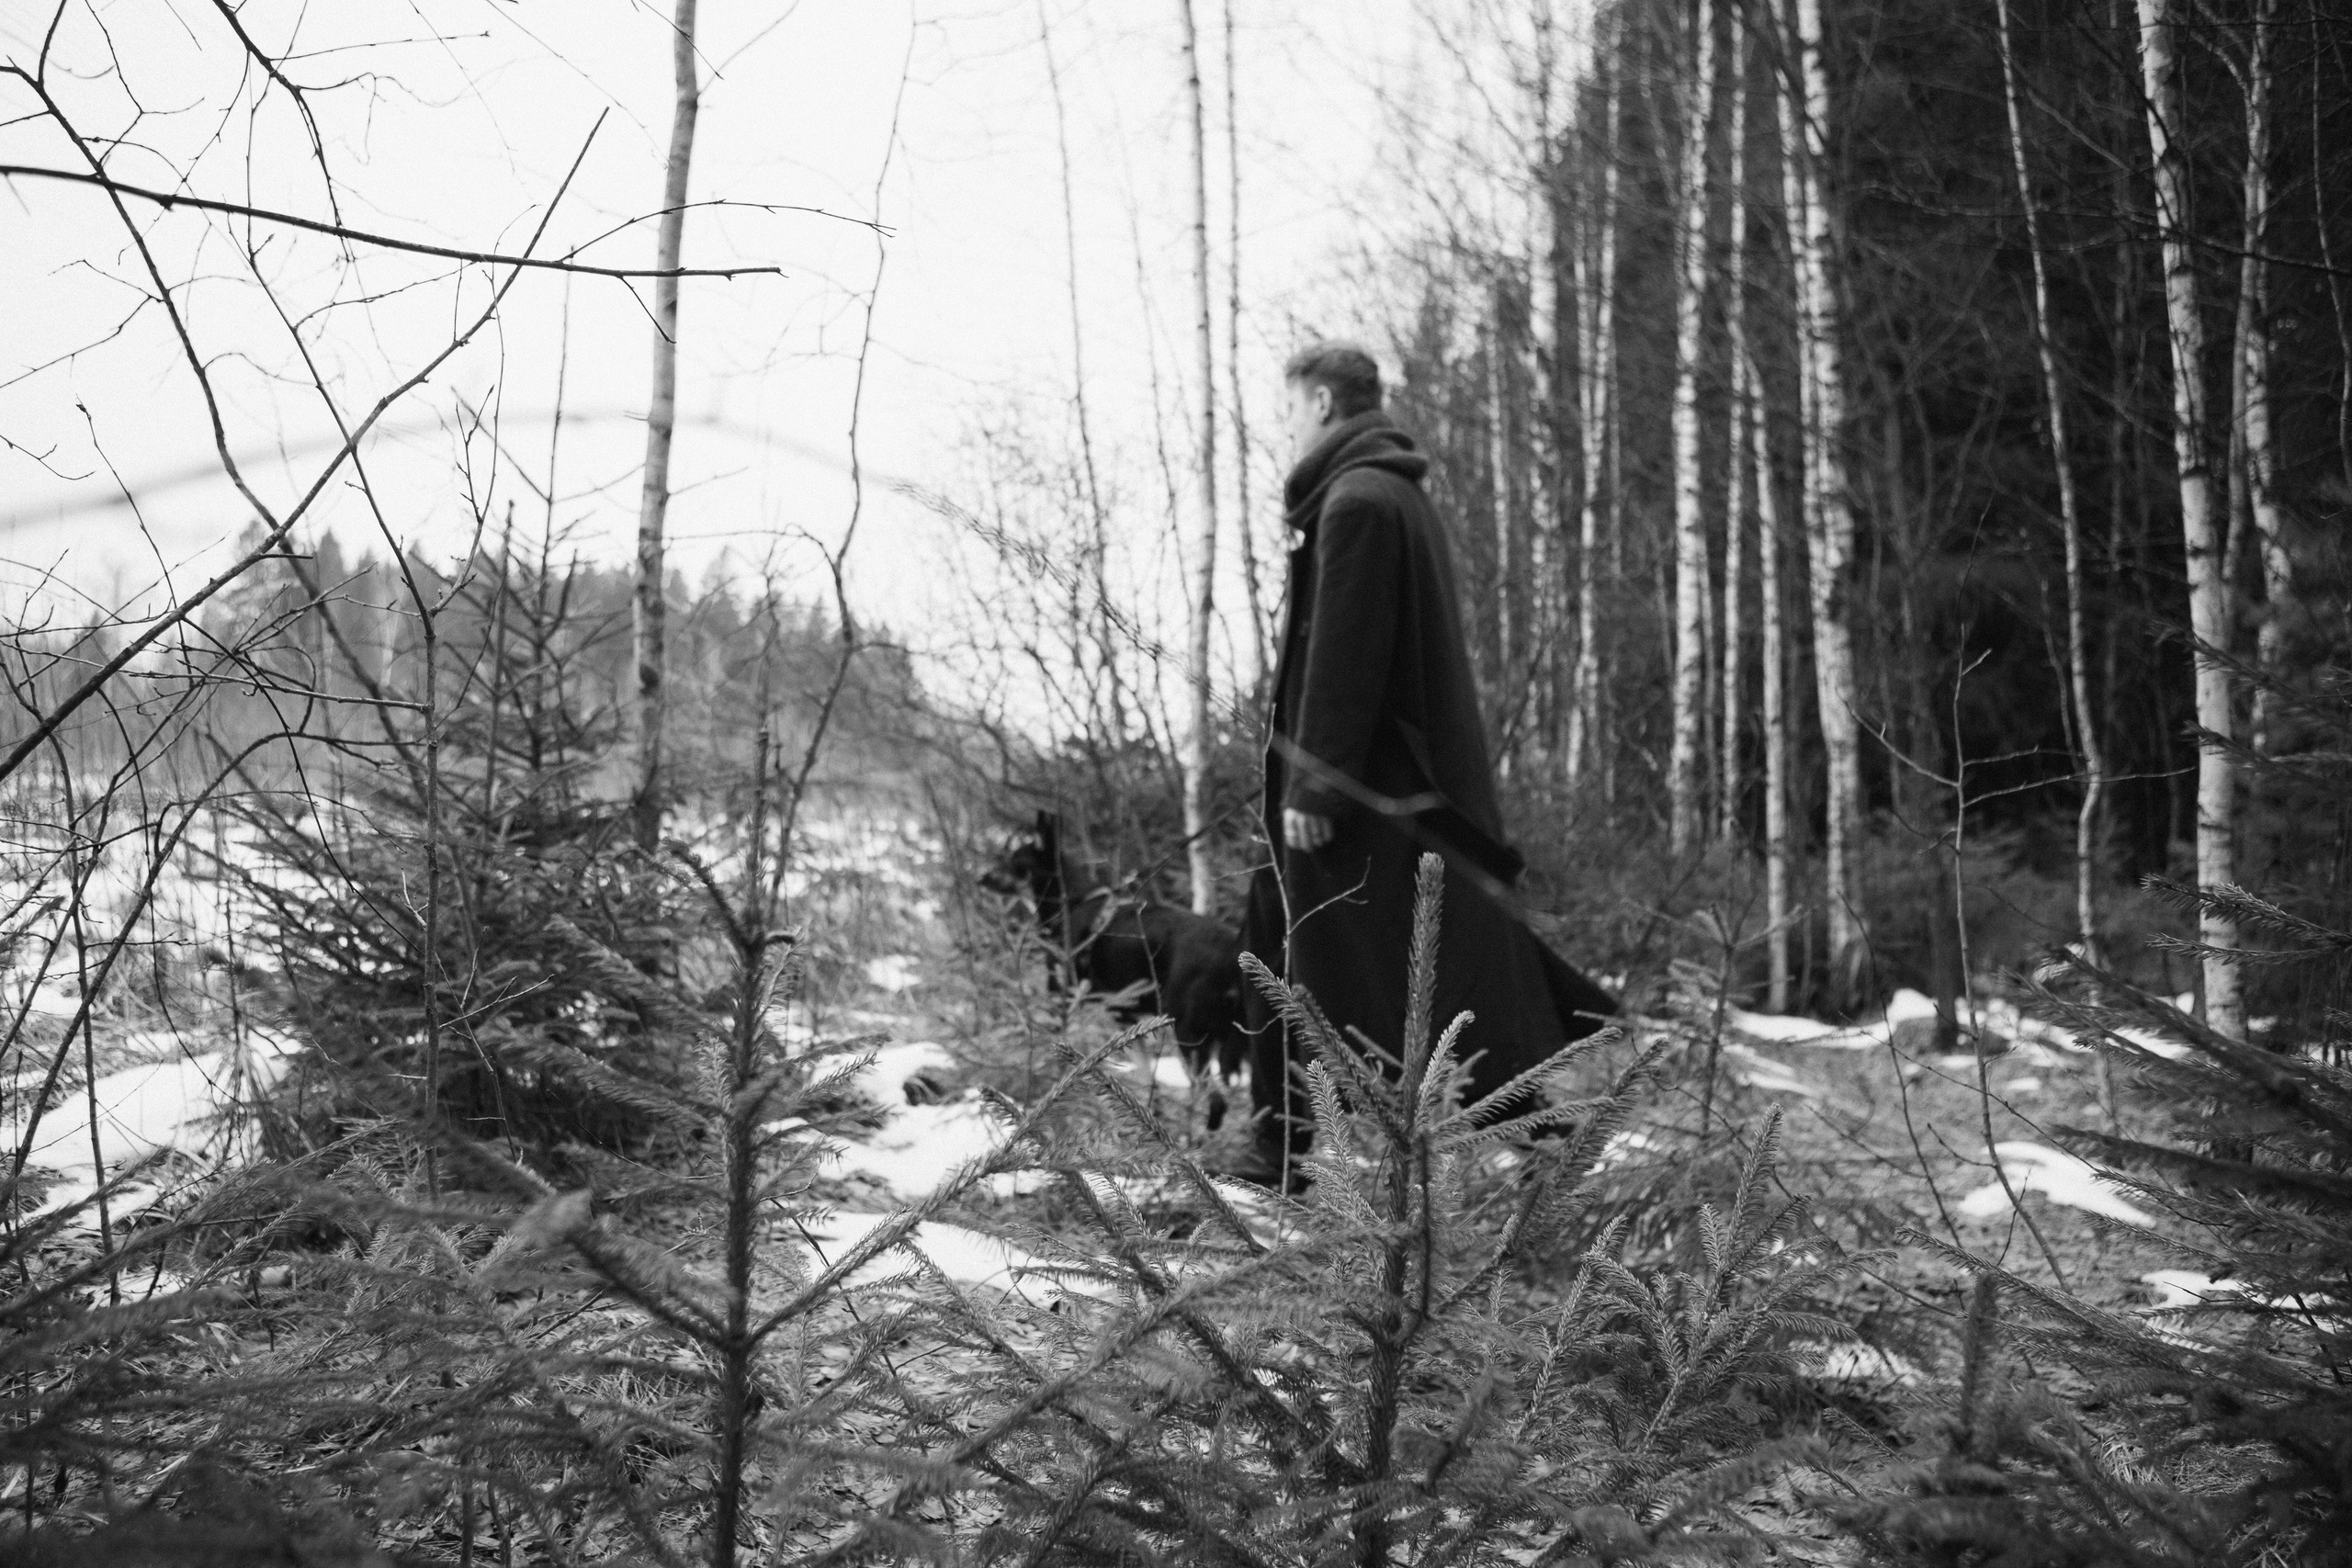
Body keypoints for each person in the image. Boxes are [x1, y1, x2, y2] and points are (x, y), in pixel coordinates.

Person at [1220, 342, 1618, 1188]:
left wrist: (1316, 781)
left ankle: (1537, 1136)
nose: (1287, 428)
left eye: (1291, 408)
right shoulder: (1388, 491)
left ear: (1324, 403)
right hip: (1397, 791)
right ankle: (1276, 1150)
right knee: (1320, 947)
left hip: (1367, 797)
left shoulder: (1359, 502)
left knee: (1413, 983)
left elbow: (1349, 652)